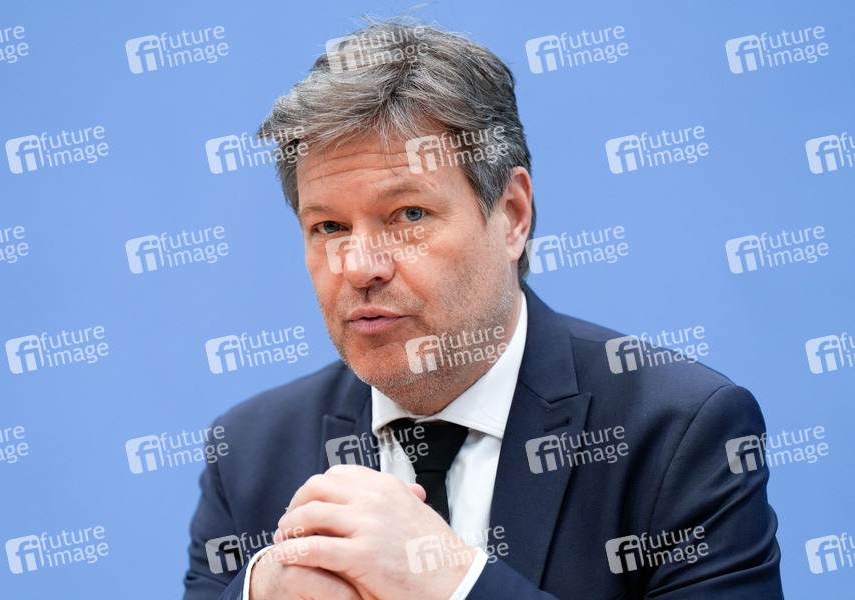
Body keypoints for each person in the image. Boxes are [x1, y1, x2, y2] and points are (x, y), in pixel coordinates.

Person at [183, 19, 784, 600]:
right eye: (329, 227)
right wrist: (261, 591)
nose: (361, 267)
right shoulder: (249, 453)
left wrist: (455, 583)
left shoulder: (679, 431)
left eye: (409, 215)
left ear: (512, 216)